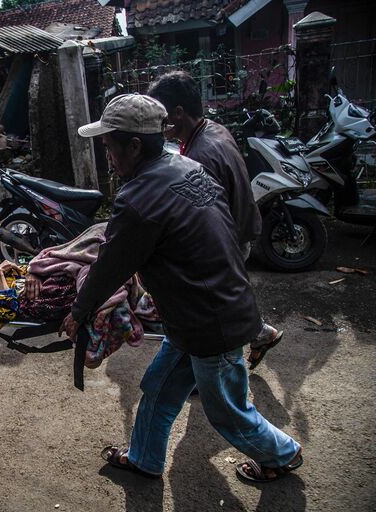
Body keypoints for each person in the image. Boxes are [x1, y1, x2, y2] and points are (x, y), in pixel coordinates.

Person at [60, 93, 303, 483]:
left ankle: (283, 454)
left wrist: (79, 310)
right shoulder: (187, 167)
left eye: (109, 146)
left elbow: (111, 265)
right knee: (158, 388)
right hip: (198, 313)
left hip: (210, 322)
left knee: (226, 411)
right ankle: (145, 457)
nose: (107, 155)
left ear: (134, 146)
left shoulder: (139, 197)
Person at [147, 71, 282, 370]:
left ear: (179, 113)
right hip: (242, 225)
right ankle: (260, 334)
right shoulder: (214, 130)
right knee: (228, 298)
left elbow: (199, 222)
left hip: (230, 236)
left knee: (210, 306)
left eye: (162, 115)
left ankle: (211, 369)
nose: (160, 124)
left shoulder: (199, 158)